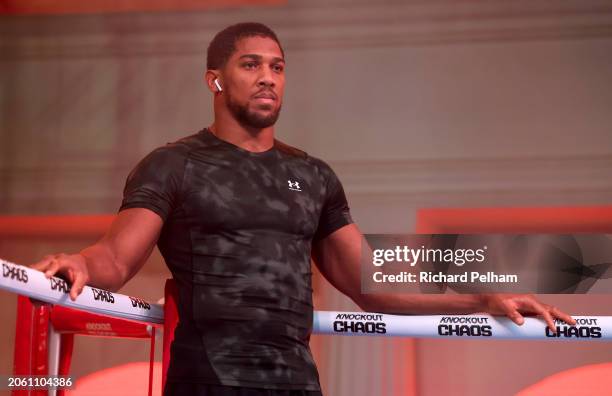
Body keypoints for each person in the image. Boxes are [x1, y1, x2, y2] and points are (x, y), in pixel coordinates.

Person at [30, 22, 576, 396]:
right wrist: (78, 262)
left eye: (278, 66)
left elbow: (371, 283)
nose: (268, 76)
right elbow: (115, 257)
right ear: (215, 80)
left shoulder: (313, 175)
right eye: (250, 65)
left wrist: (481, 297)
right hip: (208, 380)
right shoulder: (174, 164)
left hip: (296, 380)